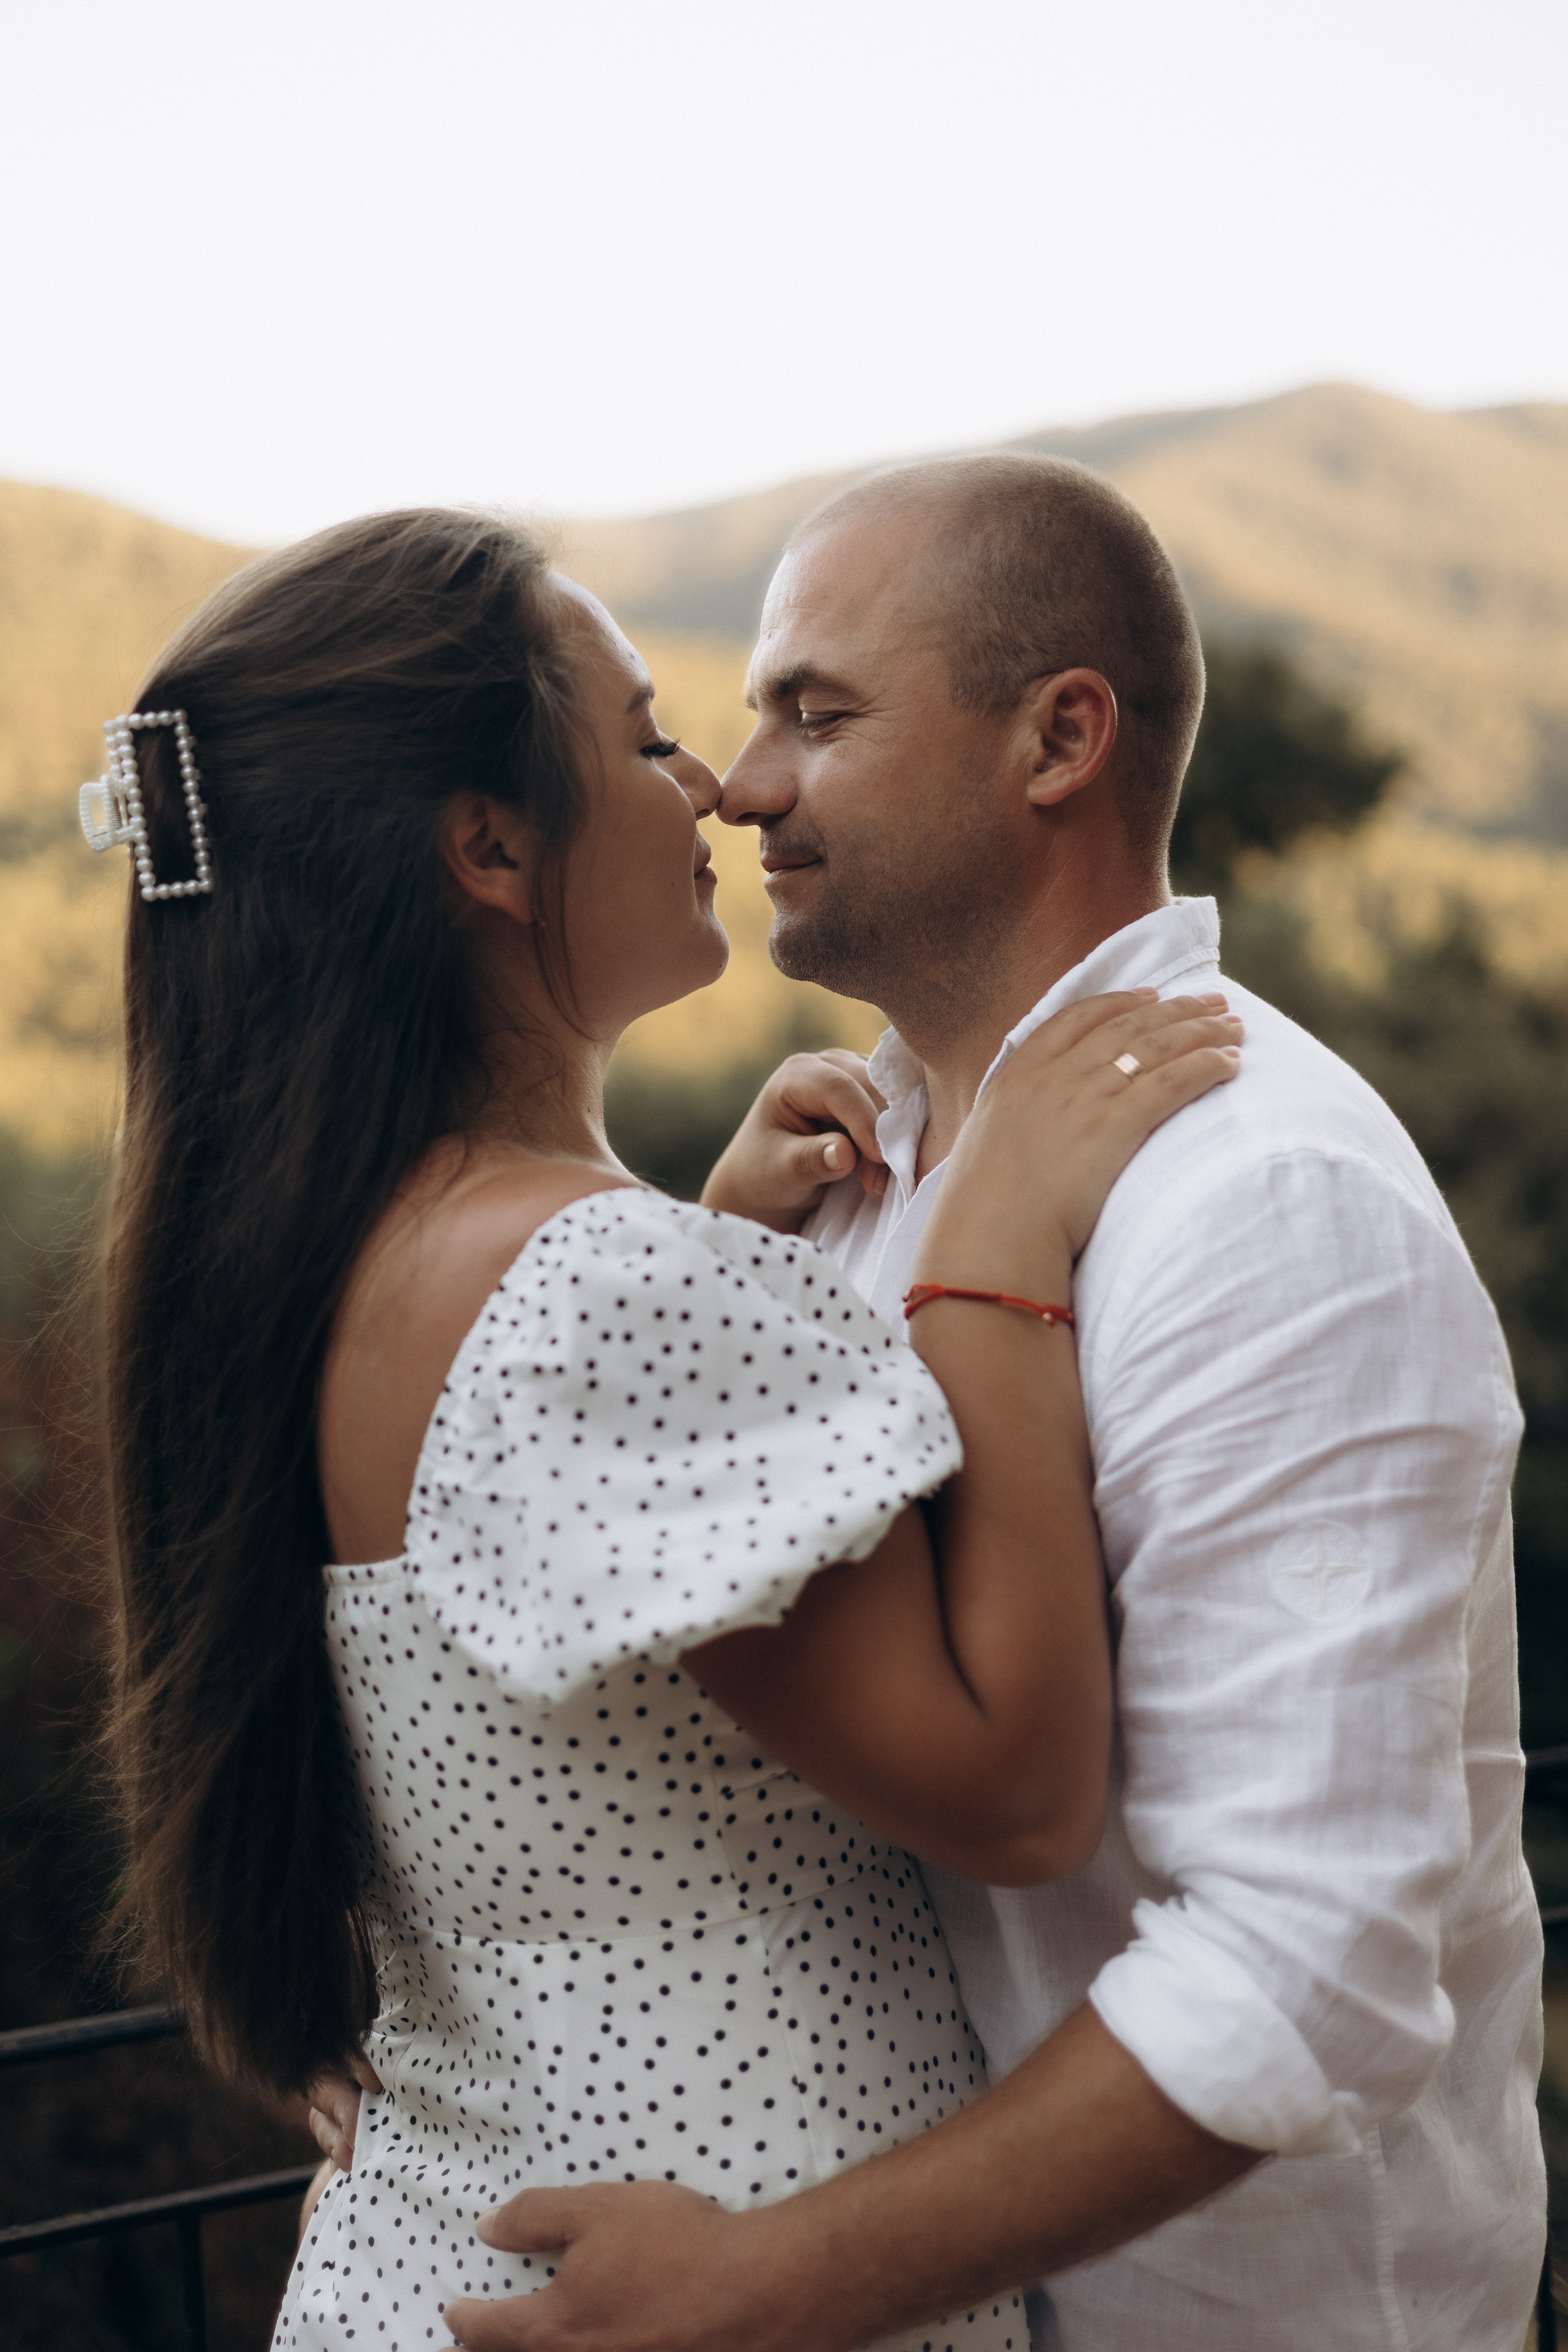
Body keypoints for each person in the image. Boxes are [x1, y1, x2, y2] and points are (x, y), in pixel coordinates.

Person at [366, 456, 1541, 2352]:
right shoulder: (838, 1188)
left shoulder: (1263, 1201)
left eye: (815, 714)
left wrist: (768, 2286)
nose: (742, 783)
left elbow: (1312, 1966)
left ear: (1058, 738)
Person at [90, 507, 1240, 2352]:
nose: (708, 783)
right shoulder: (582, 1290)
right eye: (639, 739)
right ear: (487, 846)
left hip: (442, 2257)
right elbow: (1017, 1785)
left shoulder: (339, 1258)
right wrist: (998, 1237)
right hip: (707, 2285)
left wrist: (706, 1264)